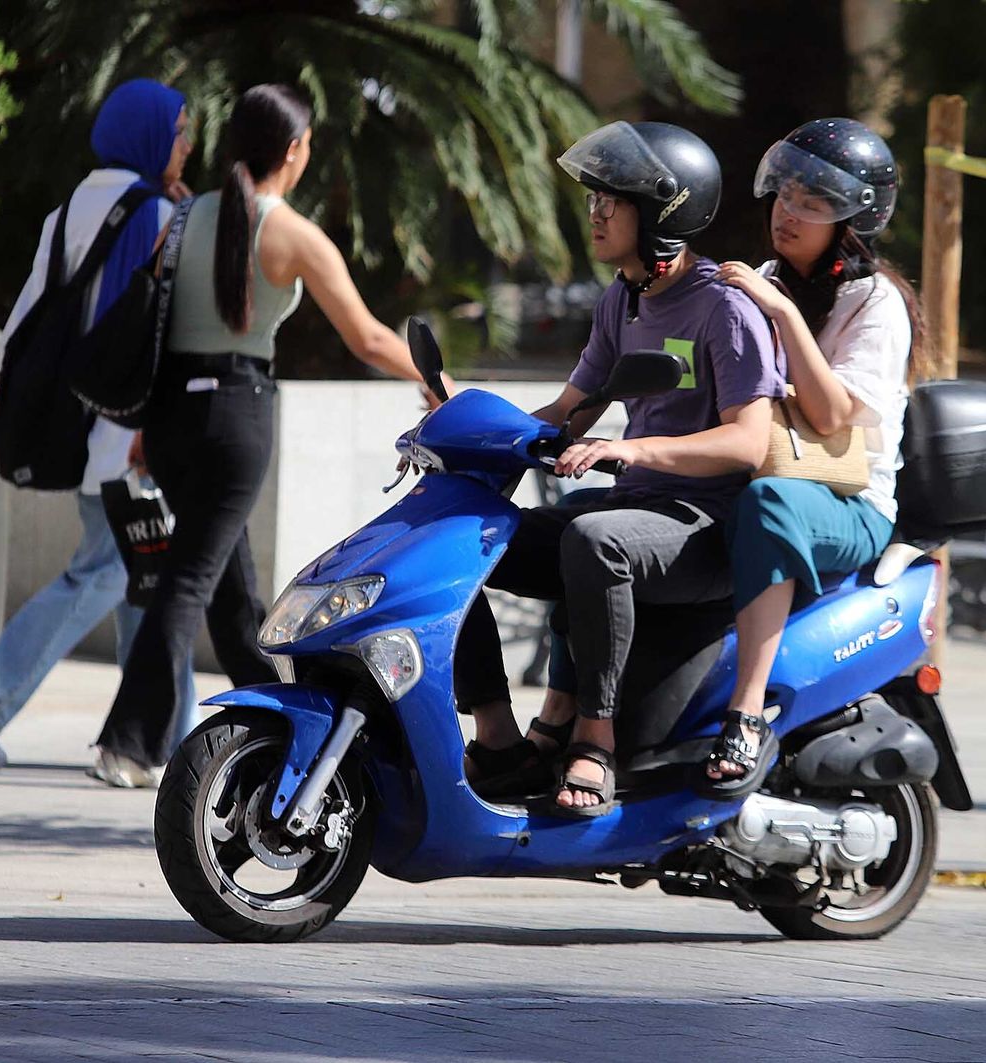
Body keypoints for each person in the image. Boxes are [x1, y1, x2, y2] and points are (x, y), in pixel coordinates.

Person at [90, 84, 443, 786]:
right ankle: (129, 742)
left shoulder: (184, 216)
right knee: (191, 581)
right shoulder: (290, 231)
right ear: (293, 149)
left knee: (230, 587)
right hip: (232, 418)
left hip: (169, 421)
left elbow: (156, 320)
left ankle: (279, 725)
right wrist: (438, 385)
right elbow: (370, 336)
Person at [455, 120, 783, 817]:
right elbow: (571, 408)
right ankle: (496, 731)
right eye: (595, 197)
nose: (597, 213)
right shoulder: (623, 298)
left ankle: (593, 743)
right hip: (637, 506)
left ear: (666, 213)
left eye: (615, 199)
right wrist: (460, 434)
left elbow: (749, 442)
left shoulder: (725, 309)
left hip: (704, 527)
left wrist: (630, 450)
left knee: (594, 540)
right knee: (462, 540)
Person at [0, 79, 199, 769]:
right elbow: (167, 330)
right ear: (147, 136)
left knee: (146, 576)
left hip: (83, 427)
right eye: (180, 131)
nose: (188, 144)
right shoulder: (158, 216)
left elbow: (26, 322)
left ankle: (149, 745)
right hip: (129, 431)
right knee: (116, 571)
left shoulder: (67, 211)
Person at [701, 117, 930, 796]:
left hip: (851, 504)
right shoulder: (766, 278)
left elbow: (831, 415)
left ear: (854, 221)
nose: (789, 212)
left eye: (814, 203)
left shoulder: (875, 302)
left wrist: (782, 314)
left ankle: (744, 713)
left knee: (768, 502)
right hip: (764, 470)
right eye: (786, 194)